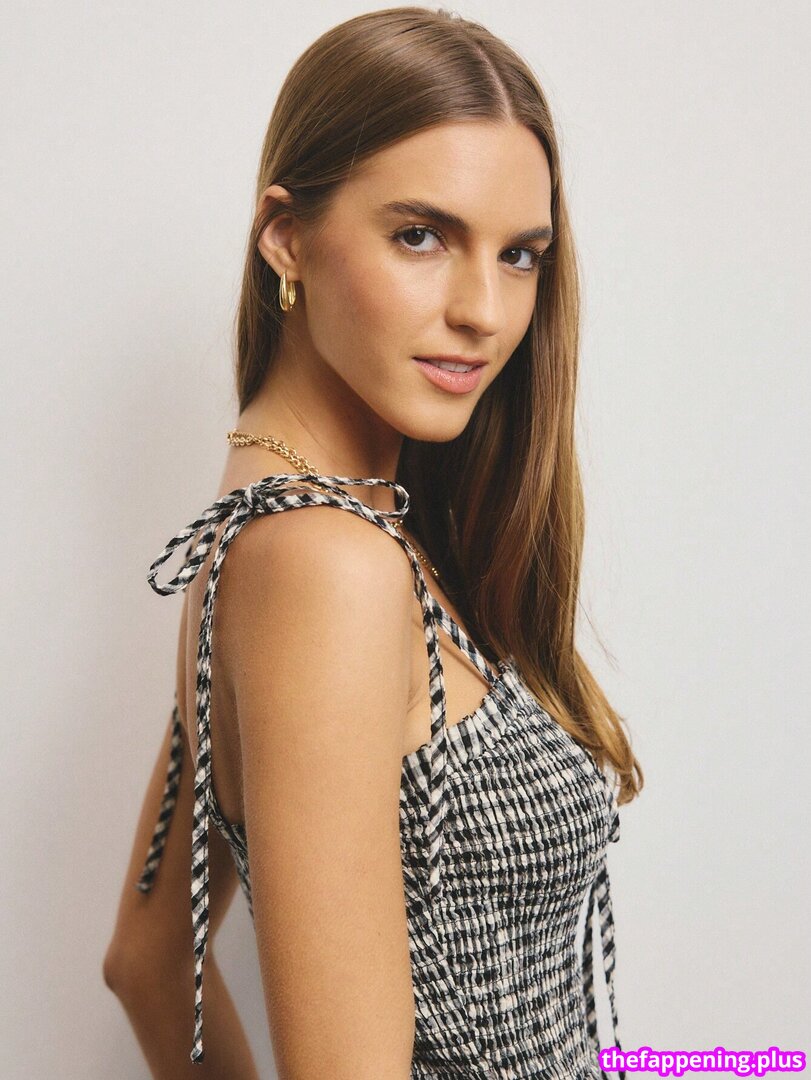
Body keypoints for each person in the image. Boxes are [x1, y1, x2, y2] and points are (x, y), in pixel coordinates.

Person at [102, 7, 643, 1077]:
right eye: (420, 235)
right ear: (286, 236)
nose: (483, 310)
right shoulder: (326, 563)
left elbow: (148, 960)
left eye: (520, 255)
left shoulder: (284, 533)